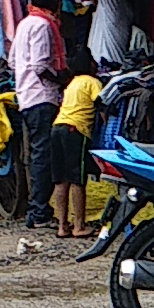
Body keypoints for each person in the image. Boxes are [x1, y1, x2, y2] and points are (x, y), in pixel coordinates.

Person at [10, 0, 67, 231]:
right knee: (43, 156)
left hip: (26, 96)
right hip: (42, 96)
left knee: (38, 154)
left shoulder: (24, 24)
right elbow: (40, 66)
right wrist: (63, 79)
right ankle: (39, 211)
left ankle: (38, 209)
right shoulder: (44, 25)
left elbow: (14, 61)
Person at [47, 52, 102, 247]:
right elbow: (101, 101)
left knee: (60, 180)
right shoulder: (91, 81)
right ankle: (79, 225)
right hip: (75, 130)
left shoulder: (71, 83)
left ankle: (63, 226)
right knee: (77, 179)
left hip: (57, 127)